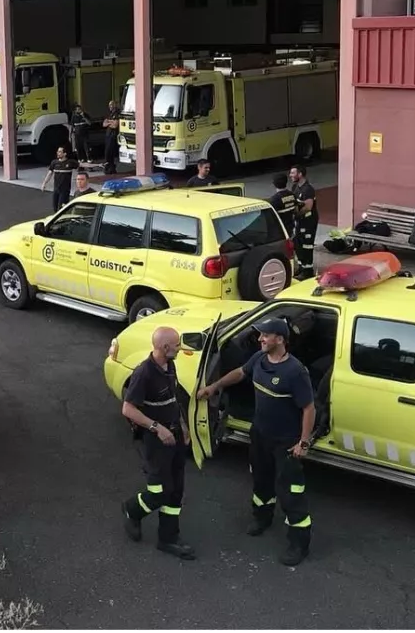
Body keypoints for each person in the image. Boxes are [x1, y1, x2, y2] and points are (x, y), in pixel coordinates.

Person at [198, 318, 315, 566]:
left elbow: (308, 408)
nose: (260, 339)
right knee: (261, 480)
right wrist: (215, 386)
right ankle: (262, 517)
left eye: (266, 335)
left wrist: (303, 443)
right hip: (260, 435)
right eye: (260, 335)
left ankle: (299, 544)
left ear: (280, 340)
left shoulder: (295, 371)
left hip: (286, 442)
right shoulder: (259, 360)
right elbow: (240, 373)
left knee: (291, 492)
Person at [120, 326, 195, 560]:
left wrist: (182, 425)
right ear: (164, 348)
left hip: (174, 437)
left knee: (175, 490)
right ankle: (132, 510)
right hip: (156, 442)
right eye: (176, 345)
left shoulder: (169, 365)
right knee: (159, 491)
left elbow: (172, 399)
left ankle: (168, 538)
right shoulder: (144, 373)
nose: (180, 348)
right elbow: (128, 409)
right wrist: (157, 428)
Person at [289, 164, 318, 280]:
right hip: (300, 221)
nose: (290, 175)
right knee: (298, 244)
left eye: (293, 173)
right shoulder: (295, 187)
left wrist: (296, 214)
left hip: (309, 222)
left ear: (300, 174)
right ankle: (301, 267)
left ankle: (308, 271)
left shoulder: (308, 189)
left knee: (307, 246)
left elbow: (308, 207)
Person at [40, 145, 80, 211]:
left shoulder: (70, 162)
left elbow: (82, 164)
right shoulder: (54, 162)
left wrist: (97, 165)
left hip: (65, 191)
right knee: (55, 209)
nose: (58, 153)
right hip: (56, 190)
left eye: (60, 152)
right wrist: (44, 183)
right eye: (58, 151)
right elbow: (50, 173)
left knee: (61, 209)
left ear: (65, 154)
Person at [102, 99, 122, 174]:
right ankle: (109, 167)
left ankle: (111, 168)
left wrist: (109, 122)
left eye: (111, 105)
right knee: (107, 152)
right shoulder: (109, 114)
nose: (109, 106)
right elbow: (104, 124)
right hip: (108, 135)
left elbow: (115, 125)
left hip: (113, 135)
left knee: (110, 152)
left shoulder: (117, 113)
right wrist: (111, 122)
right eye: (109, 105)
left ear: (114, 105)